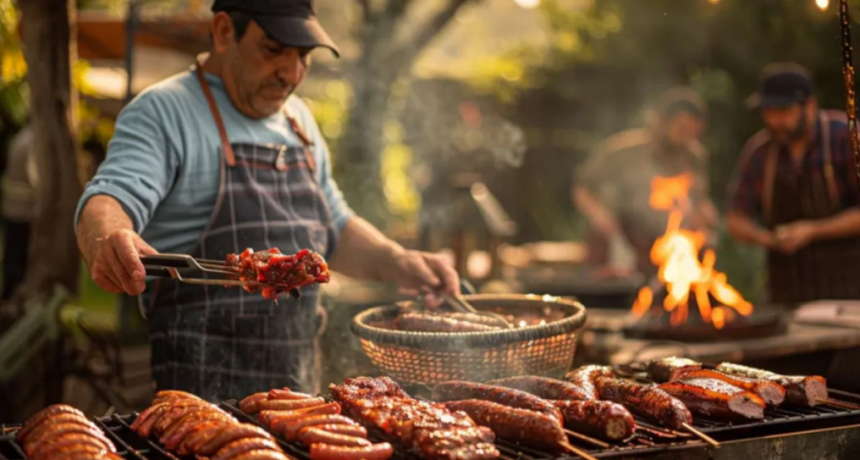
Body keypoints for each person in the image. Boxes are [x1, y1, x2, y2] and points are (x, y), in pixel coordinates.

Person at [74, 0, 459, 401]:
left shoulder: (299, 120)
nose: (291, 74)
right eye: (273, 50)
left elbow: (335, 228)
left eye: (303, 56)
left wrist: (398, 261)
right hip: (201, 404)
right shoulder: (163, 112)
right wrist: (109, 235)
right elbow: (110, 196)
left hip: (297, 401)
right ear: (224, 31)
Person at [725, 62, 860, 304]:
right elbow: (736, 218)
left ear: (809, 106)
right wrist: (768, 239)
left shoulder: (846, 138)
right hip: (786, 293)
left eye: (783, 111)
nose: (775, 120)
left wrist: (812, 231)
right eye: (769, 112)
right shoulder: (761, 152)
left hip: (850, 289)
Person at [573, 87, 718, 278]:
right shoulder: (623, 151)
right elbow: (583, 188)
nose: (687, 137)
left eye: (692, 131)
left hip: (665, 242)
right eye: (682, 128)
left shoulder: (694, 157)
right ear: (662, 122)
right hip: (621, 238)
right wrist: (601, 217)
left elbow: (699, 201)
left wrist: (705, 219)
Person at [1, 124, 36, 301]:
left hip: (11, 208)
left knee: (11, 255)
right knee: (19, 258)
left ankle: (9, 295)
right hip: (24, 211)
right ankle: (13, 298)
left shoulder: (21, 137)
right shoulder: (34, 143)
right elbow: (34, 178)